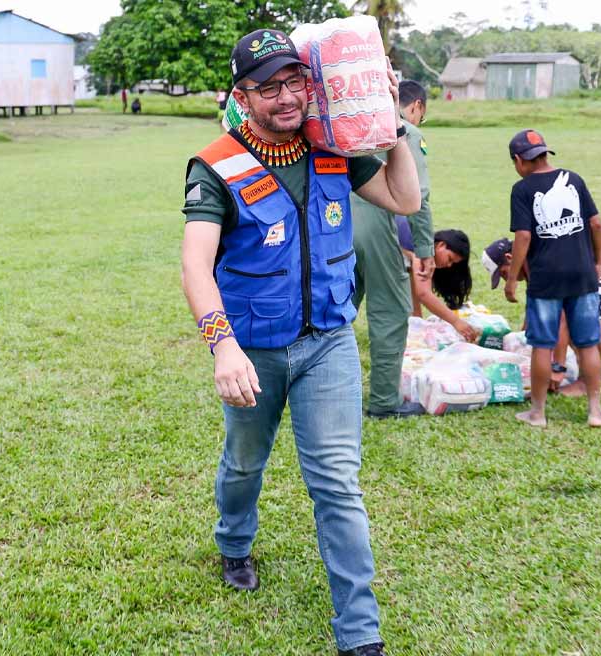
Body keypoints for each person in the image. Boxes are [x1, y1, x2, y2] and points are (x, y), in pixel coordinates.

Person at [180, 28, 419, 656]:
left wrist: (390, 122)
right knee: (243, 464)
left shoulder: (333, 149)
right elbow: (195, 266)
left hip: (329, 343)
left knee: (338, 483)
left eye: (294, 82)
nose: (285, 98)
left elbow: (404, 197)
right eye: (267, 87)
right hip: (253, 350)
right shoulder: (216, 165)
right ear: (243, 94)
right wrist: (222, 347)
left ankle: (360, 636)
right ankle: (235, 542)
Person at [501, 129, 601, 428]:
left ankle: (537, 413)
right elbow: (597, 224)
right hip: (582, 274)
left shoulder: (522, 189)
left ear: (518, 160)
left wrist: (512, 279)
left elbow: (523, 236)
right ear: (545, 154)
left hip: (545, 278)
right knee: (588, 344)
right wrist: (598, 262)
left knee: (542, 345)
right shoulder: (574, 179)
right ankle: (596, 412)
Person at [351, 80, 437, 419]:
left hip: (335, 228)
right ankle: (385, 403)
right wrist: (425, 248)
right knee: (390, 313)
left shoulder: (354, 125)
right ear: (415, 107)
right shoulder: (408, 134)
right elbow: (420, 198)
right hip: (375, 230)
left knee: (333, 313)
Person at [483, 226, 601, 396]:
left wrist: (558, 367)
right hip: (586, 259)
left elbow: (561, 317)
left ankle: (588, 382)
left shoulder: (537, 258)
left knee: (587, 316)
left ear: (510, 258)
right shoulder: (529, 261)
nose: (507, 279)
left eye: (504, 274)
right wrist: (522, 345)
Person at [395, 221, 478, 340]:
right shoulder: (422, 245)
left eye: (452, 263)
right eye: (450, 259)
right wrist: (456, 322)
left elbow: (415, 297)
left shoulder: (415, 257)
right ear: (441, 245)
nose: (449, 266)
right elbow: (423, 294)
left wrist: (418, 329)